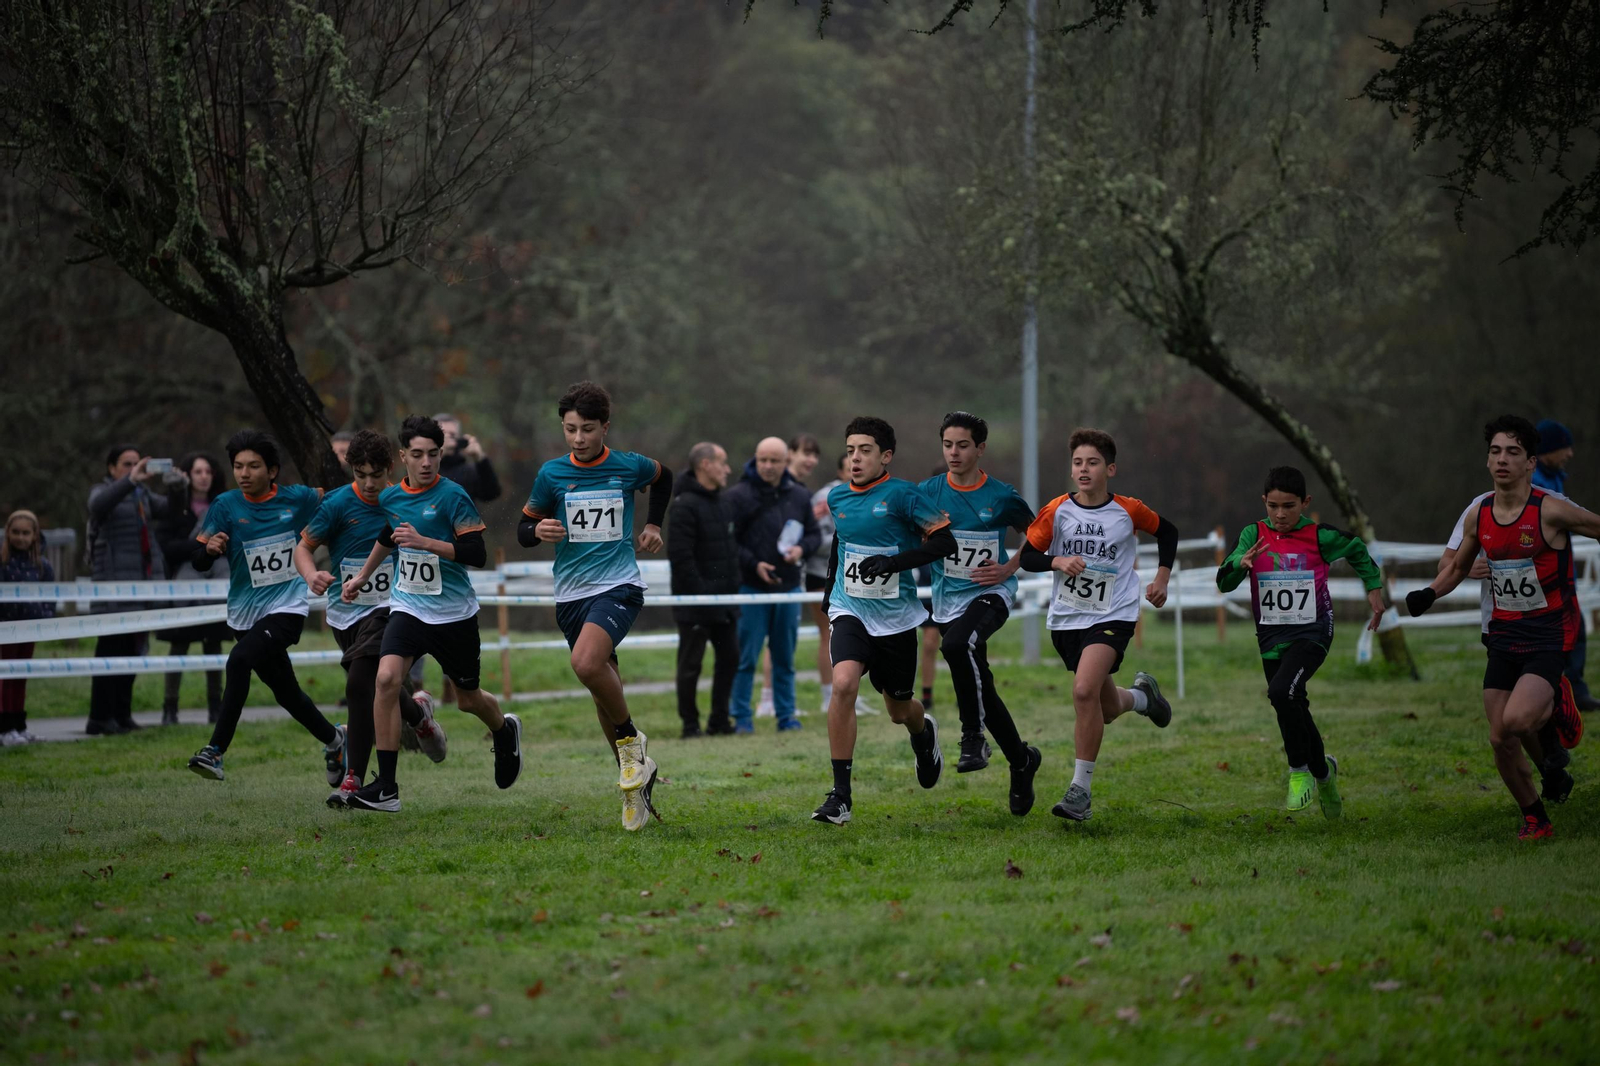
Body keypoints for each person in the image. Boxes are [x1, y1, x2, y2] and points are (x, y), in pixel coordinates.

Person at [1408, 415, 1596, 840]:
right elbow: (1455, 565)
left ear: (1532, 462)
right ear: (1487, 459)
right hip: (1502, 634)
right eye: (1495, 451)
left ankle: (1556, 703)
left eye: (1513, 452)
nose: (1502, 460)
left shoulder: (1550, 508)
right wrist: (1430, 593)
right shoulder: (1479, 512)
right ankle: (1536, 817)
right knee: (1500, 738)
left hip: (1547, 633)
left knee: (1515, 720)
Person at [340, 415, 518, 813]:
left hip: (454, 615)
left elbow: (476, 555)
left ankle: (504, 730)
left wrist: (426, 542)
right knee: (386, 680)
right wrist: (363, 577)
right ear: (402, 457)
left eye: (433, 455)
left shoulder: (454, 496)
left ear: (441, 455)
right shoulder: (390, 497)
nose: (425, 463)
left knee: (469, 700)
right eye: (417, 455)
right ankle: (386, 787)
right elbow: (389, 535)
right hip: (408, 606)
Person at [518, 382, 674, 831]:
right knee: (605, 690)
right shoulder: (551, 474)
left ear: (605, 427)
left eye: (587, 429)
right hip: (570, 595)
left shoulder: (628, 466)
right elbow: (525, 528)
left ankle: (631, 744)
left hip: (618, 586)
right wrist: (539, 531)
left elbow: (666, 478)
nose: (579, 438)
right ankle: (635, 783)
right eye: (570, 430)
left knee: (586, 664)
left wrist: (652, 524)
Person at [1019, 427, 1178, 824]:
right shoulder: (1057, 511)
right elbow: (1027, 557)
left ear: (1111, 469)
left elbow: (1168, 532)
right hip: (1068, 619)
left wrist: (1161, 579)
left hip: (1114, 614)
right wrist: (1056, 561)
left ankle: (1080, 792)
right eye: (1077, 463)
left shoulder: (1129, 510)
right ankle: (1143, 698)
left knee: (1084, 689)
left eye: (1092, 463)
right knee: (1104, 707)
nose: (1084, 469)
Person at [1216, 466, 1386, 819]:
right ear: (1264, 501)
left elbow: (1356, 547)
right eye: (1273, 506)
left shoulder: (1319, 536)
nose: (1280, 514)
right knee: (1291, 703)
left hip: (1313, 632)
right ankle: (1325, 773)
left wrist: (1373, 587)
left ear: (1305, 503)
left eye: (1289, 506)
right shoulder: (1253, 534)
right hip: (1271, 636)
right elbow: (1224, 581)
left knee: (1281, 693)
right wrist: (1239, 563)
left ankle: (1299, 772)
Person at [811, 416, 955, 825]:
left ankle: (922, 732)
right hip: (849, 608)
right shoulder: (838, 497)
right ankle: (841, 796)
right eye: (851, 450)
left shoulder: (904, 496)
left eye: (866, 450)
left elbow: (944, 541)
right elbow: (840, 547)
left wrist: (893, 562)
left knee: (898, 709)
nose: (855, 458)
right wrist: (829, 601)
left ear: (886, 456)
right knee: (843, 685)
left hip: (894, 619)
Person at [183, 431, 348, 786]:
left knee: (239, 660)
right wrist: (209, 549)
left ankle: (214, 751)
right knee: (287, 693)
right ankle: (337, 742)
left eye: (253, 466)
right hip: (245, 611)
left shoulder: (299, 499)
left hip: (288, 607)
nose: (244, 473)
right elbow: (197, 560)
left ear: (272, 470)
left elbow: (341, 498)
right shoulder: (225, 506)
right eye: (238, 466)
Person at [296, 429, 447, 808]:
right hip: (346, 614)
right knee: (383, 687)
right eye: (360, 475)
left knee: (361, 684)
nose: (368, 483)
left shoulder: (401, 501)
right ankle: (419, 714)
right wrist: (311, 574)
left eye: (376, 475)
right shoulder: (335, 505)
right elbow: (304, 547)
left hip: (393, 609)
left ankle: (354, 778)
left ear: (389, 470)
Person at [917, 413, 1043, 814]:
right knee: (982, 687)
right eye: (948, 445)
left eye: (963, 445)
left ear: (980, 449)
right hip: (949, 599)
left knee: (956, 644)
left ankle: (972, 736)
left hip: (993, 593)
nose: (954, 452)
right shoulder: (927, 493)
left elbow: (1039, 534)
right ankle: (1022, 761)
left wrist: (1010, 567)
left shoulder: (1002, 496)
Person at [85, 443, 182, 735]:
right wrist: (130, 481)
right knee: (110, 651)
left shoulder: (142, 495)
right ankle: (100, 717)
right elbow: (98, 507)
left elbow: (171, 512)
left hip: (140, 585)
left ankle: (121, 714)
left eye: (137, 463)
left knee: (132, 651)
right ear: (112, 469)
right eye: (126, 464)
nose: (134, 468)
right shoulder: (101, 491)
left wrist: (179, 488)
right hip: (113, 585)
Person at [725, 437, 820, 733]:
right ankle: (741, 718)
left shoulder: (800, 495)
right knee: (745, 658)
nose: (767, 466)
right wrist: (754, 564)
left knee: (784, 658)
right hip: (751, 588)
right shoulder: (737, 496)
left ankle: (786, 716)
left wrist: (801, 550)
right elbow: (729, 542)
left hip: (789, 587)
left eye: (774, 461)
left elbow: (815, 535)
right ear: (755, 458)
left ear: (785, 461)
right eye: (762, 459)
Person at [667, 442, 739, 738]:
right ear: (705, 465)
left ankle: (719, 721)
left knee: (730, 658)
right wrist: (703, 594)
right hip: (695, 603)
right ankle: (690, 724)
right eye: (722, 462)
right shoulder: (683, 505)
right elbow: (681, 558)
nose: (728, 469)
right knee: (690, 666)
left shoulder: (723, 502)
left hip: (725, 601)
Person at [155, 452, 232, 725]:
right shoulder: (173, 507)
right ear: (188, 475)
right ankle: (169, 708)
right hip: (184, 591)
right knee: (179, 646)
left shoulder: (225, 506)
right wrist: (203, 545)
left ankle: (216, 708)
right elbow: (167, 547)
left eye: (208, 471)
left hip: (217, 587)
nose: (203, 476)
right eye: (198, 471)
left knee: (214, 649)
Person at [755, 435, 825, 716]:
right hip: (770, 574)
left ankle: (777, 701)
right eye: (805, 453)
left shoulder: (801, 491)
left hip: (795, 572)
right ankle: (768, 700)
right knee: (775, 639)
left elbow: (806, 533)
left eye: (815, 455)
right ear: (789, 455)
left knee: (785, 640)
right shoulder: (778, 488)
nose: (811, 460)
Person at [1531, 420, 1596, 711]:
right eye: (1564, 447)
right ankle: (1556, 693)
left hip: (1564, 572)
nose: (1569, 453)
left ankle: (1574, 691)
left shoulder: (1555, 477)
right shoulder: (1535, 484)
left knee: (1577, 629)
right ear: (1547, 450)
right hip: (1545, 577)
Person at [1, 510, 54, 745]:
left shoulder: (42, 566)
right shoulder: (2, 563)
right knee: (5, 678)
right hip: (5, 630)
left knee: (21, 677)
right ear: (7, 534)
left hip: (30, 630)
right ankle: (4, 728)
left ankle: (19, 726)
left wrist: (44, 619)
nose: (20, 537)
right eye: (16, 532)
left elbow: (50, 598)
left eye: (26, 533)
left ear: (34, 536)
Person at [435, 413, 503, 502]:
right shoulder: (424, 466)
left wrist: (480, 458)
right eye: (443, 434)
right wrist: (438, 453)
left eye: (452, 435)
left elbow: (491, 494)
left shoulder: (467, 471)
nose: (447, 438)